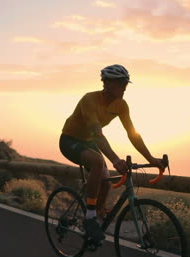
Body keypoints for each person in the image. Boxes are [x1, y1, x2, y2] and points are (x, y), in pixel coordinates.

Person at [59, 64, 164, 245]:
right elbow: (98, 135)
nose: (124, 88)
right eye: (120, 83)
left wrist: (151, 159)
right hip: (70, 140)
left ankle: (93, 225)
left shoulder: (121, 105)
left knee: (106, 183)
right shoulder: (89, 100)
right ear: (107, 83)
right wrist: (115, 160)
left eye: (125, 84)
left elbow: (132, 134)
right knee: (99, 163)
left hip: (89, 141)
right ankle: (90, 217)